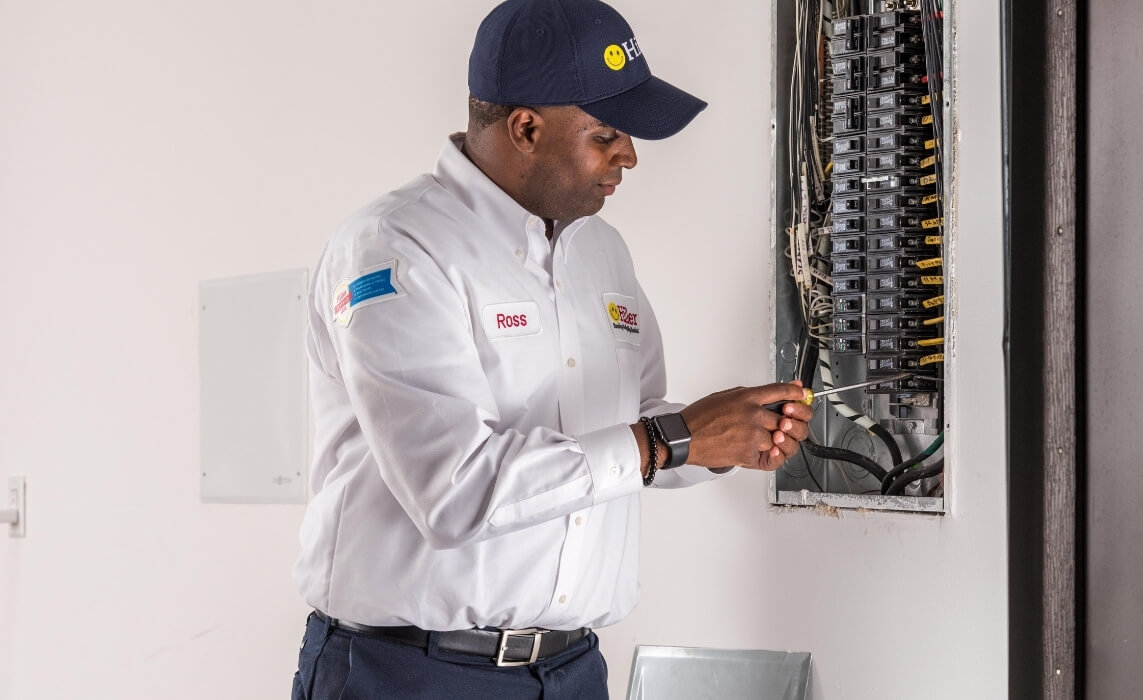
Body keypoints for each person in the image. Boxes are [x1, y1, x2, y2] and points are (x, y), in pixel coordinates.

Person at [288, 0, 814, 697]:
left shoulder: (601, 251)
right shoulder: (399, 248)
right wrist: (670, 438)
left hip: (571, 672)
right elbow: (455, 492)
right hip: (412, 673)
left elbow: (637, 425)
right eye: (607, 134)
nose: (628, 154)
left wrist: (720, 441)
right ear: (526, 128)